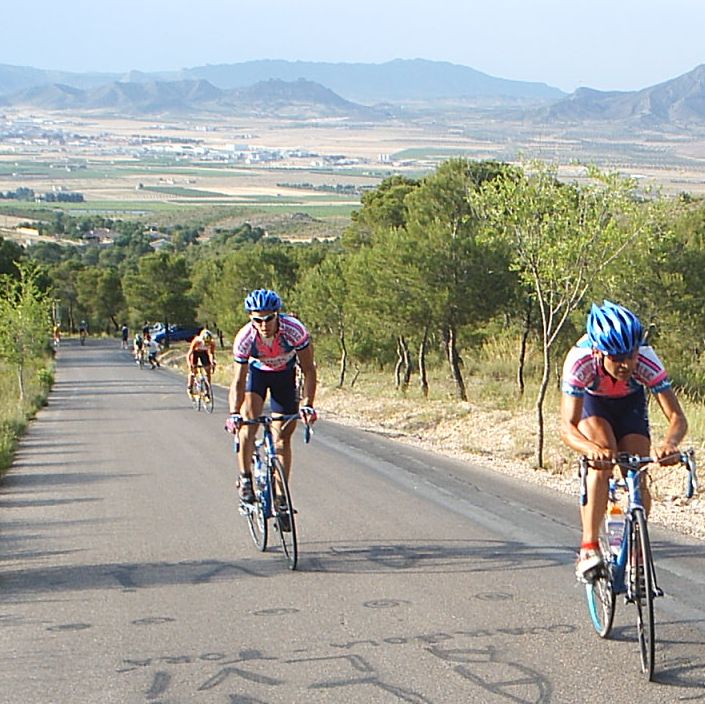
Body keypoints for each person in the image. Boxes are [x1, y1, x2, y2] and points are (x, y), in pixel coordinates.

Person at [559, 300, 688, 582]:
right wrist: (590, 449)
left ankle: (635, 549)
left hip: (630, 405)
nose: (626, 365)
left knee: (637, 470)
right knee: (603, 460)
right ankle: (589, 547)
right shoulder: (580, 361)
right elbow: (568, 427)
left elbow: (677, 417)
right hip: (594, 405)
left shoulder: (646, 359)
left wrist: (670, 444)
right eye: (617, 358)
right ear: (598, 352)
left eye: (630, 356)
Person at [226, 289, 318, 513]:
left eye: (269, 318)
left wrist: (307, 405)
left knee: (282, 439)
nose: (263, 324)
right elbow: (238, 381)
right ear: (251, 318)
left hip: (285, 376)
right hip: (257, 376)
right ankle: (246, 478)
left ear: (278, 314)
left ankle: (281, 497)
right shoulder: (245, 338)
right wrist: (234, 413)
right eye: (257, 320)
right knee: (248, 424)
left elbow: (309, 370)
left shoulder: (294, 330)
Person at [187, 329, 217, 396]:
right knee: (193, 370)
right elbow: (189, 354)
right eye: (205, 342)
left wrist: (212, 362)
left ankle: (207, 389)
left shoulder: (212, 343)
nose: (206, 344)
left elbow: (211, 354)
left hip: (204, 353)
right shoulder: (197, 341)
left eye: (208, 343)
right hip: (195, 352)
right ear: (202, 339)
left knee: (208, 370)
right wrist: (190, 365)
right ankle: (190, 386)